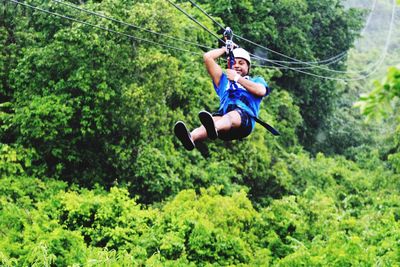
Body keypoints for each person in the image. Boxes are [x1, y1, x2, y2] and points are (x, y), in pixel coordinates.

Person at [174, 46, 270, 151]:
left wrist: (237, 78)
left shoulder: (256, 81)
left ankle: (214, 127)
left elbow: (261, 91)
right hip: (223, 124)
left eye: (241, 63)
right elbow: (207, 57)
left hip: (244, 121)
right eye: (234, 63)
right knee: (213, 120)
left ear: (248, 68)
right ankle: (191, 137)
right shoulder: (223, 81)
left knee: (231, 116)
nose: (237, 66)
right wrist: (225, 49)